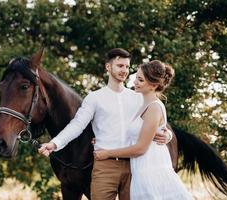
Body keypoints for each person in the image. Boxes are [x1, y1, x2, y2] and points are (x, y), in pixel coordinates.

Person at [39, 48, 172, 200]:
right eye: (120, 66)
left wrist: (167, 134)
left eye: (127, 67)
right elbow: (77, 125)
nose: (125, 70)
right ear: (108, 67)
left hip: (135, 167)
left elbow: (157, 119)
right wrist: (55, 143)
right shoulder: (94, 98)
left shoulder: (139, 97)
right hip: (105, 167)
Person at [94, 60, 192, 199]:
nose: (134, 82)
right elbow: (129, 129)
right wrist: (104, 138)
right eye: (136, 78)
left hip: (151, 169)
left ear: (153, 85)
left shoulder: (154, 108)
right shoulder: (140, 103)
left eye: (140, 80)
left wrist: (107, 153)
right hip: (140, 170)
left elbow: (140, 148)